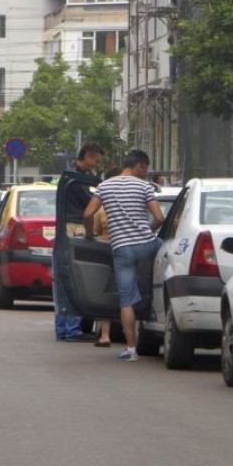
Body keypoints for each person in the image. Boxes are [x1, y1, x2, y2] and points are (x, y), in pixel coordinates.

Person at [83, 150, 164, 361]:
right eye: (145, 168)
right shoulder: (144, 187)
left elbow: (88, 214)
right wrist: (148, 229)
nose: (145, 173)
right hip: (147, 244)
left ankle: (131, 350)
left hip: (122, 249)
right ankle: (160, 307)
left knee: (126, 300)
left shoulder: (104, 186)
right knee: (170, 262)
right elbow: (159, 217)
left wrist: (90, 234)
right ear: (138, 165)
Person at [52, 142, 104, 342]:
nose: (96, 164)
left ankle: (63, 329)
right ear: (89, 156)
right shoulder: (75, 179)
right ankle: (72, 329)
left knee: (63, 279)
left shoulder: (68, 175)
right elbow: (89, 204)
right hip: (74, 228)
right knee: (75, 277)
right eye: (96, 160)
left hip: (64, 229)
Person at [90, 165, 122, 348]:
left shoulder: (102, 208)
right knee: (128, 293)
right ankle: (131, 338)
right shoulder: (139, 198)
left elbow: (94, 231)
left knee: (106, 293)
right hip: (131, 250)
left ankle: (105, 335)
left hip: (107, 251)